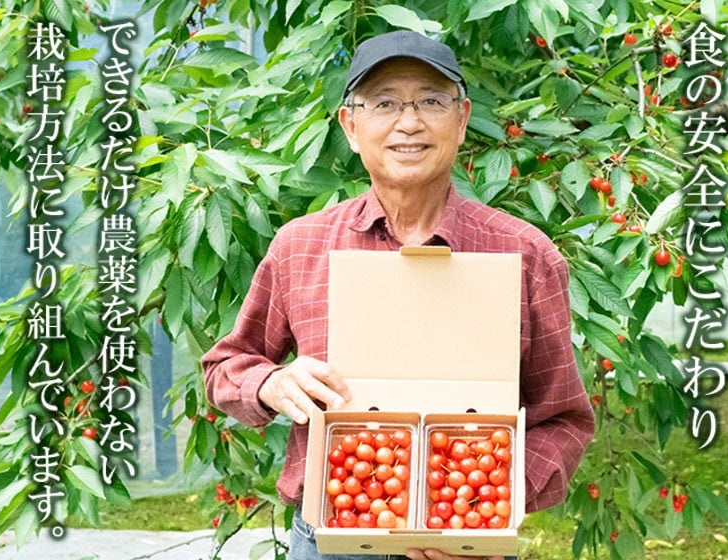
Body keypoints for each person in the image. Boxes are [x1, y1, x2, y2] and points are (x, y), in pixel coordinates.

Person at [201, 30, 595, 560]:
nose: (409, 122)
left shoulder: (524, 255)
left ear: (461, 120)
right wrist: (270, 382)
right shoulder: (302, 246)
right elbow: (225, 366)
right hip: (331, 539)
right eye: (384, 103)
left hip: (466, 540)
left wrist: (486, 501)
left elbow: (564, 419)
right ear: (351, 126)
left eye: (431, 101)